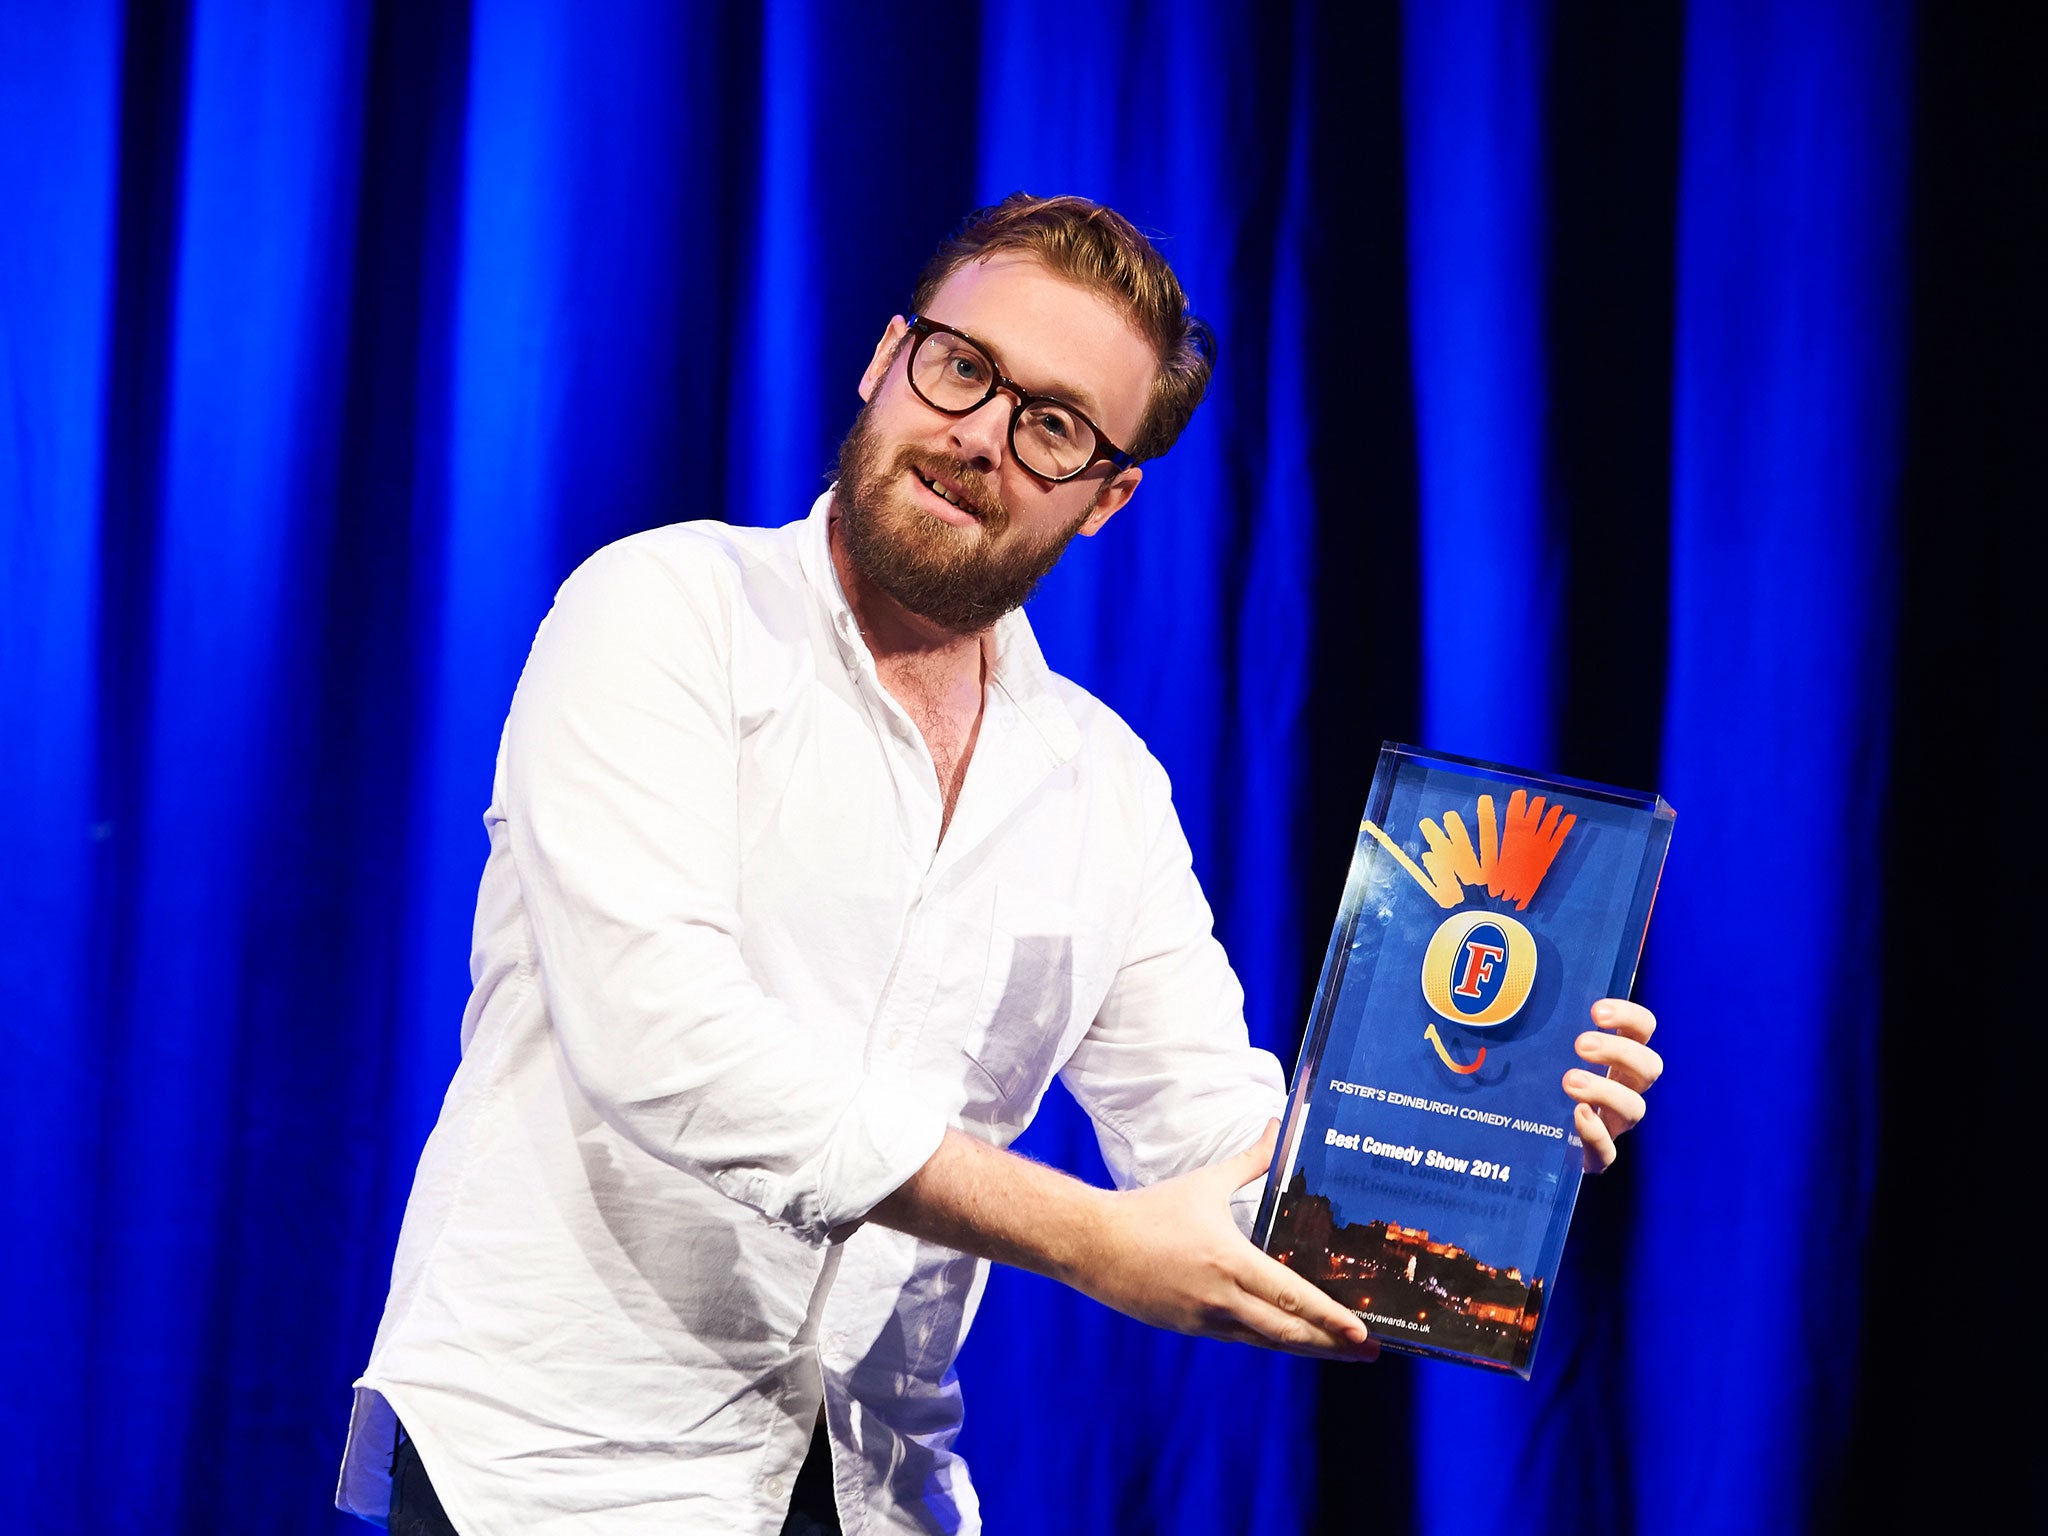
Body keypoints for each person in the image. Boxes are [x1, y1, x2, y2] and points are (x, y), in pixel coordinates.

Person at [336, 194, 1662, 1536]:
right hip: (549, 1474)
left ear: (1107, 497)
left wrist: (1468, 1136)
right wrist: (1085, 1239)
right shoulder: (667, 611)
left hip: (875, 1489)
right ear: (884, 357)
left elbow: (1213, 1147)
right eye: (962, 366)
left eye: (1054, 425)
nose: (977, 435)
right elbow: (663, 1039)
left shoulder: (1104, 786)